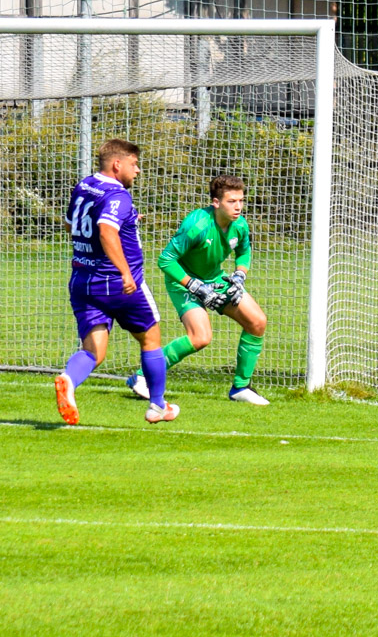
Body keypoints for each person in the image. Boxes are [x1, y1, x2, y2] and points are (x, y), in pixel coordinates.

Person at [55, 139, 179, 426]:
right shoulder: (118, 195)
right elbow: (107, 231)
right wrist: (124, 272)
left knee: (93, 351)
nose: (138, 170)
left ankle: (69, 379)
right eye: (134, 164)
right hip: (117, 283)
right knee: (151, 338)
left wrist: (128, 220)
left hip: (82, 281)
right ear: (117, 164)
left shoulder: (85, 186)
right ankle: (157, 405)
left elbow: (71, 224)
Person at [127, 174, 270, 405]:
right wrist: (196, 286)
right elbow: (166, 260)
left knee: (257, 322)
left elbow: (244, 252)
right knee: (200, 337)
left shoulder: (240, 225)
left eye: (241, 201)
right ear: (216, 202)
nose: (238, 207)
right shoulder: (197, 224)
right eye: (231, 201)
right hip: (183, 281)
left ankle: (240, 387)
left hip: (214, 279)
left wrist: (239, 275)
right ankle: (142, 376)